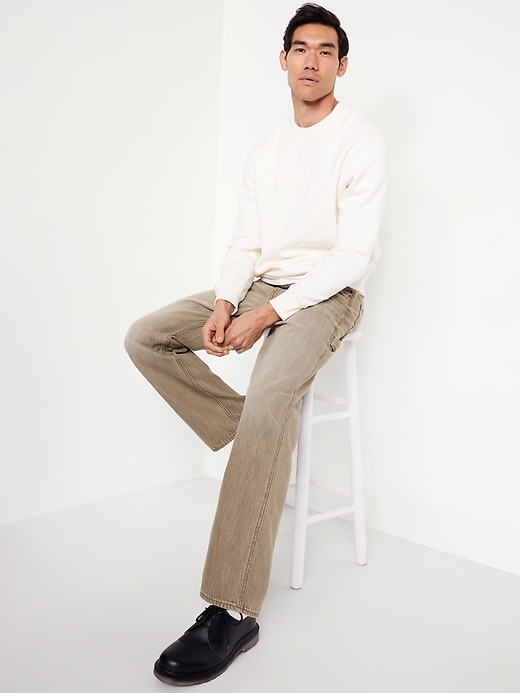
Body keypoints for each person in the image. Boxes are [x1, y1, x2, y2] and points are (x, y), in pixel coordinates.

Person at [125, 3, 388, 686]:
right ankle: (256, 437)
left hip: (328, 296)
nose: (311, 61)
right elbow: (246, 241)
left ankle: (231, 610)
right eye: (300, 49)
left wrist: (267, 313)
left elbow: (351, 257)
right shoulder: (267, 149)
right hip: (261, 285)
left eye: (324, 51)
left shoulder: (361, 141)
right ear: (282, 60)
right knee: (147, 336)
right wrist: (224, 303)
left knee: (273, 405)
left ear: (342, 65)